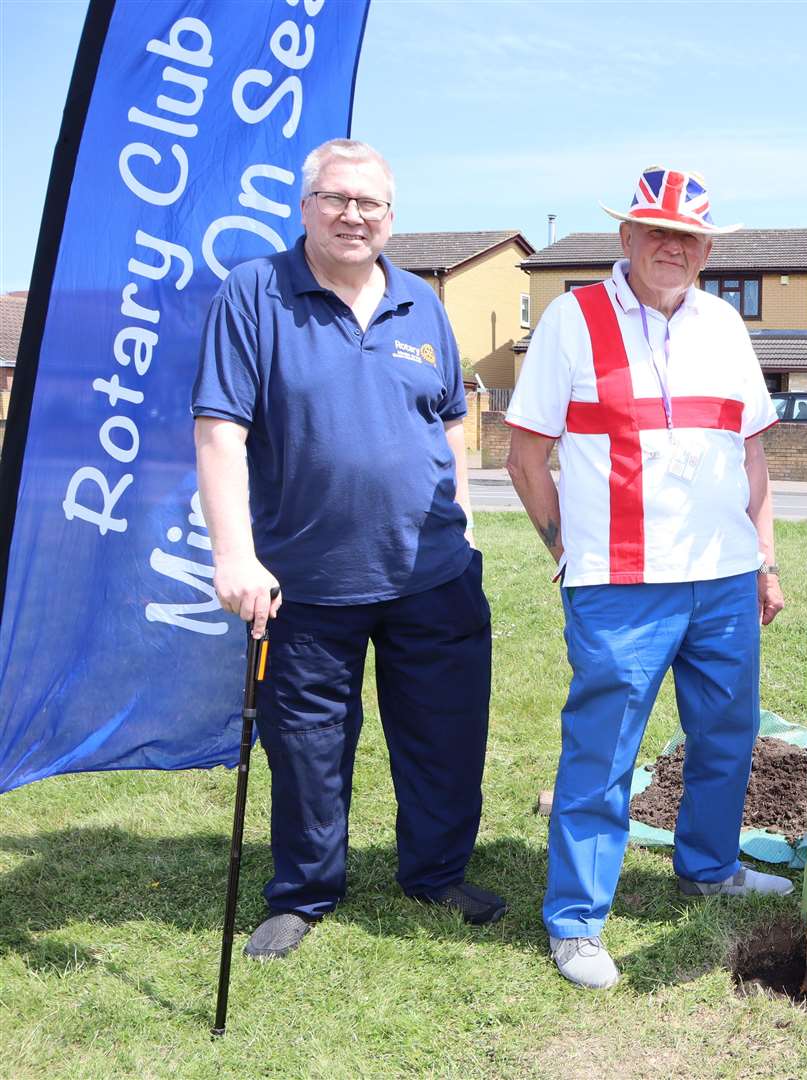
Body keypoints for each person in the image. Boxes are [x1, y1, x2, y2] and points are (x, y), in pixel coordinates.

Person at [192, 138, 502, 961]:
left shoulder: (421, 303)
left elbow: (448, 422)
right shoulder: (255, 293)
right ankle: (303, 891)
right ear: (306, 208)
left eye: (371, 203)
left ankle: (436, 876)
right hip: (306, 583)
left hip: (432, 575)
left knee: (445, 735)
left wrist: (463, 520)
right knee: (306, 745)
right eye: (337, 198)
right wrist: (234, 554)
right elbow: (220, 429)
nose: (353, 214)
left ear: (391, 217)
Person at [505, 167, 790, 991]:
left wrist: (764, 560)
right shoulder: (571, 319)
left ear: (706, 250)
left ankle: (709, 866)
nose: (673, 247)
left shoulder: (725, 323)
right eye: (654, 231)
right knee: (603, 752)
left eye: (689, 237)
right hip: (617, 583)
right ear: (625, 237)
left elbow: (753, 454)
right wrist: (567, 553)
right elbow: (526, 454)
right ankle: (577, 922)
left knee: (727, 737)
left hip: (725, 580)